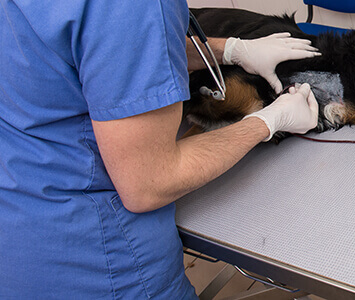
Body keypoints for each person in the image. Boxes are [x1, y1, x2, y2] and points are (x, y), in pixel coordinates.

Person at [0, 1, 320, 298]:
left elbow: (115, 48)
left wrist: (230, 50)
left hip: (18, 227)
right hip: (94, 262)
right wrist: (267, 120)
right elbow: (150, 182)